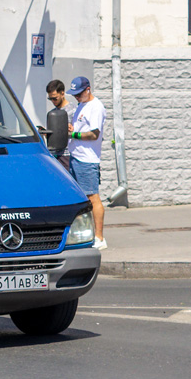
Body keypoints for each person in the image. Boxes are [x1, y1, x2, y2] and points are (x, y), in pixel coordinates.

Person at [66, 76, 107, 251]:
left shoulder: (96, 107)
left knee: (92, 197)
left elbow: (94, 134)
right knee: (82, 197)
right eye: (74, 94)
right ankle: (86, 233)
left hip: (87, 159)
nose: (76, 97)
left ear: (88, 89)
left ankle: (99, 237)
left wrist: (73, 135)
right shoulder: (82, 106)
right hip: (77, 156)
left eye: (79, 93)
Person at [44, 79, 77, 163]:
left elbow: (80, 130)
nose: (53, 101)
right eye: (50, 99)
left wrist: (73, 129)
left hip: (67, 154)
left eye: (55, 98)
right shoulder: (53, 112)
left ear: (62, 93)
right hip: (54, 154)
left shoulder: (73, 110)